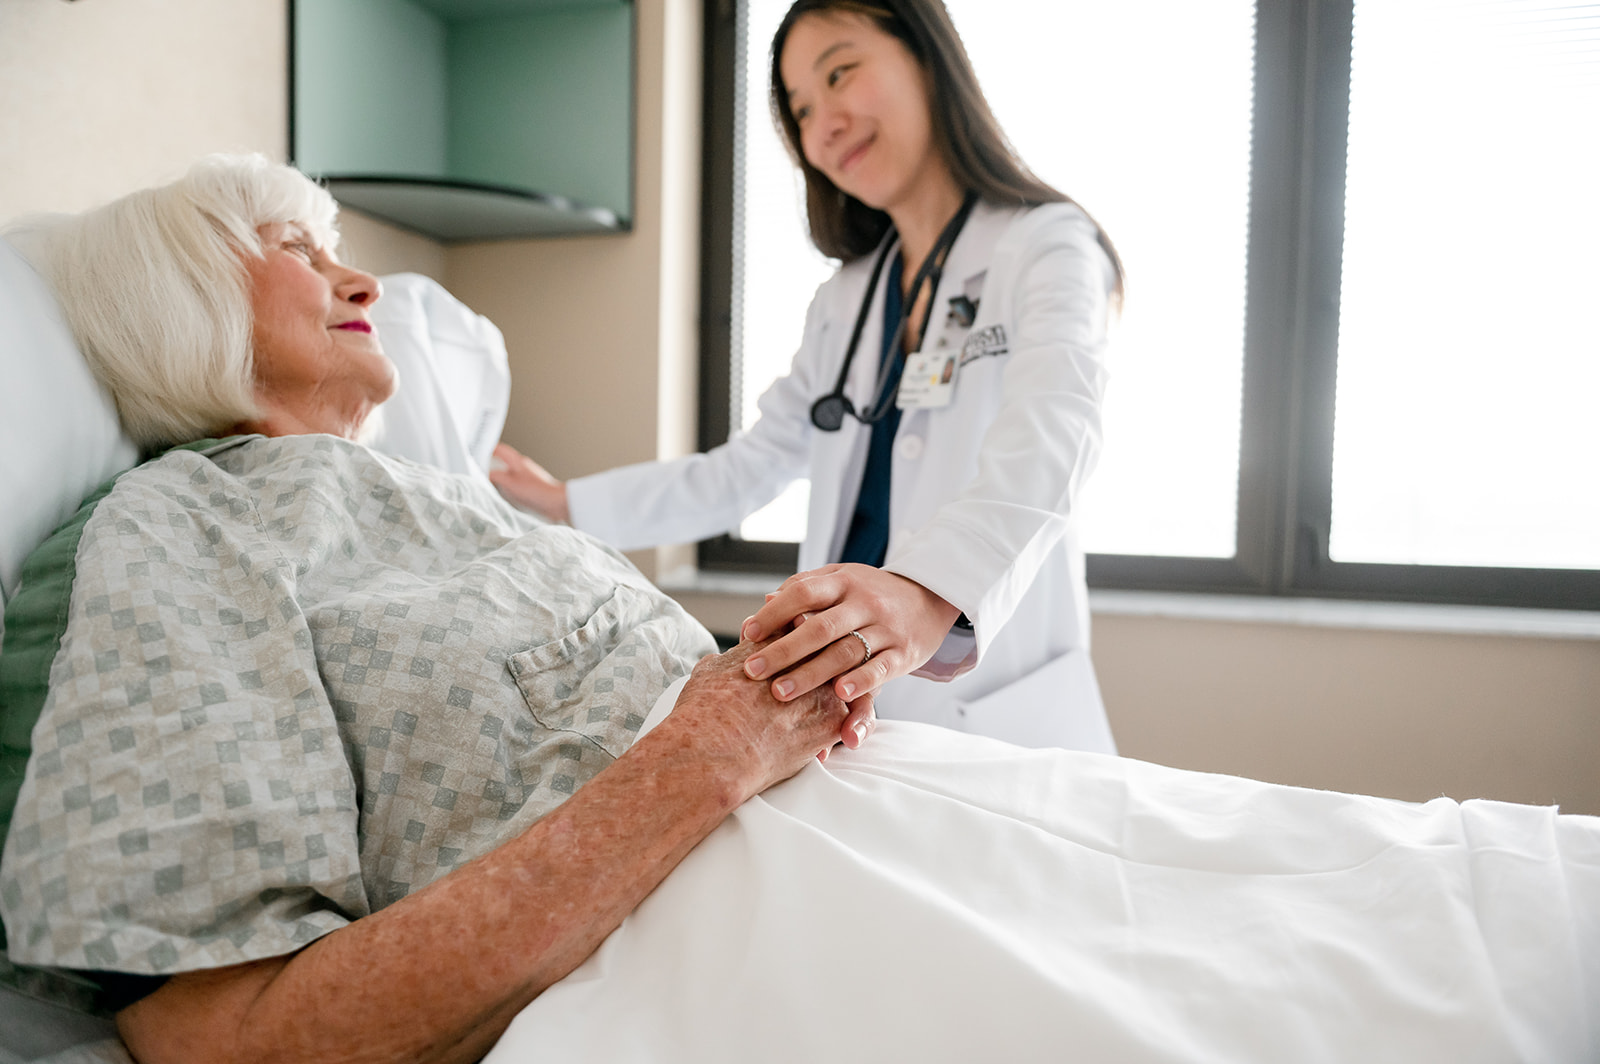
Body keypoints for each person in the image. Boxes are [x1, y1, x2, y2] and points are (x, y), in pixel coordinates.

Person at [0, 153, 872, 1064]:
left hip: (844, 827)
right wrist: (719, 746)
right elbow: (230, 1034)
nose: (364, 281)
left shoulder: (434, 494)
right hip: (735, 940)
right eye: (298, 247)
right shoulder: (177, 527)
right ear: (183, 298)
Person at [491, 0, 1125, 752]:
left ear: (927, 58)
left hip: (1001, 714)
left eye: (841, 73)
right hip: (854, 711)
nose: (822, 124)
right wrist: (566, 504)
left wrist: (931, 594)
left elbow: (1056, 430)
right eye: (800, 110)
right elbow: (748, 469)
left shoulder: (1046, 245)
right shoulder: (848, 299)